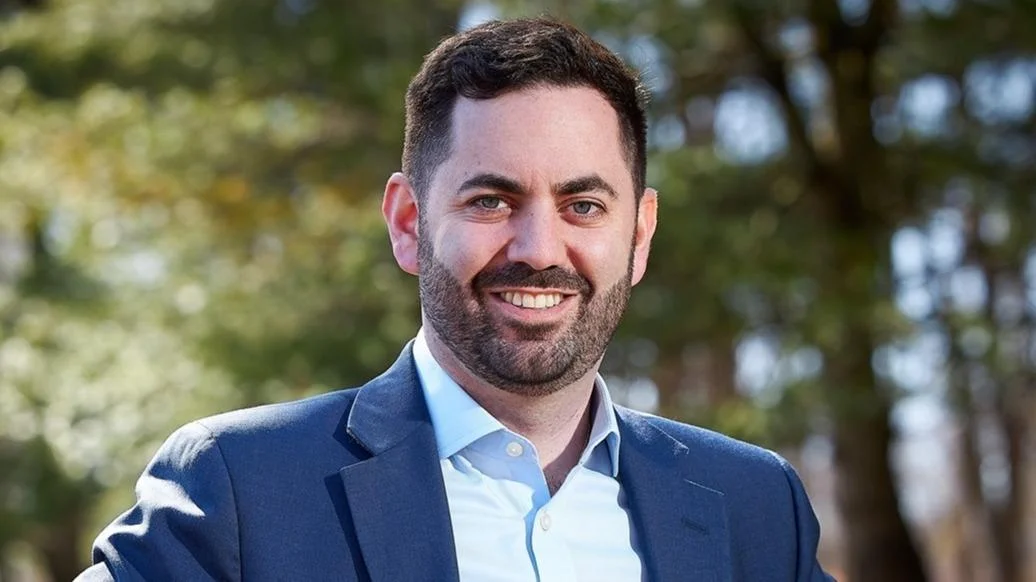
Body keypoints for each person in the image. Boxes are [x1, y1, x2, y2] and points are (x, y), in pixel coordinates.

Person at [77, 18, 834, 582]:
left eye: (584, 206)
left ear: (639, 235)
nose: (539, 249)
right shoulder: (240, 489)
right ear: (409, 225)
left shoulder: (755, 505)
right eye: (492, 201)